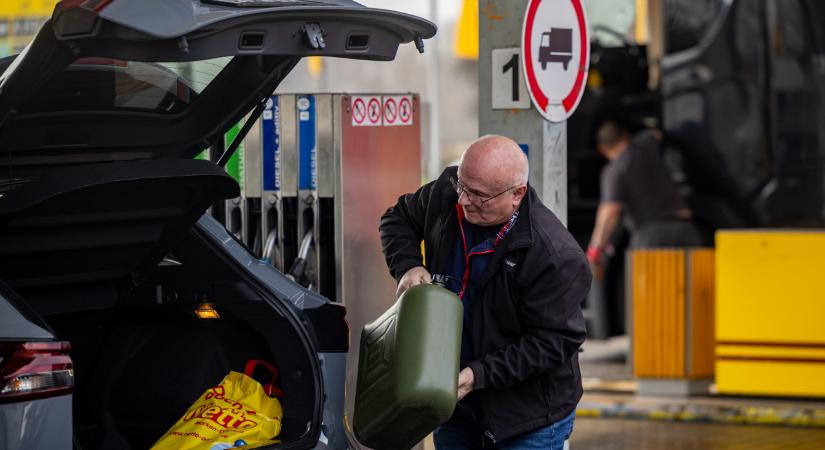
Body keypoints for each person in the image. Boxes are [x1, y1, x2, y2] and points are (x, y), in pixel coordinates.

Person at [379, 135, 591, 450]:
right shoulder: (448, 192)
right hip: (455, 406)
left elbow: (554, 342)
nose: (463, 200)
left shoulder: (553, 255)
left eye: (478, 195)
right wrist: (409, 265)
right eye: (462, 186)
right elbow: (397, 218)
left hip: (526, 419)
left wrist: (477, 375)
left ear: (517, 194)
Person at [587, 121, 702, 273]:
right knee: (693, 290)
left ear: (602, 149)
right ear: (625, 136)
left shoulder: (614, 171)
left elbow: (610, 211)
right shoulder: (647, 143)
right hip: (685, 229)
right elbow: (656, 134)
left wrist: (595, 248)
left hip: (651, 236)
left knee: (649, 294)